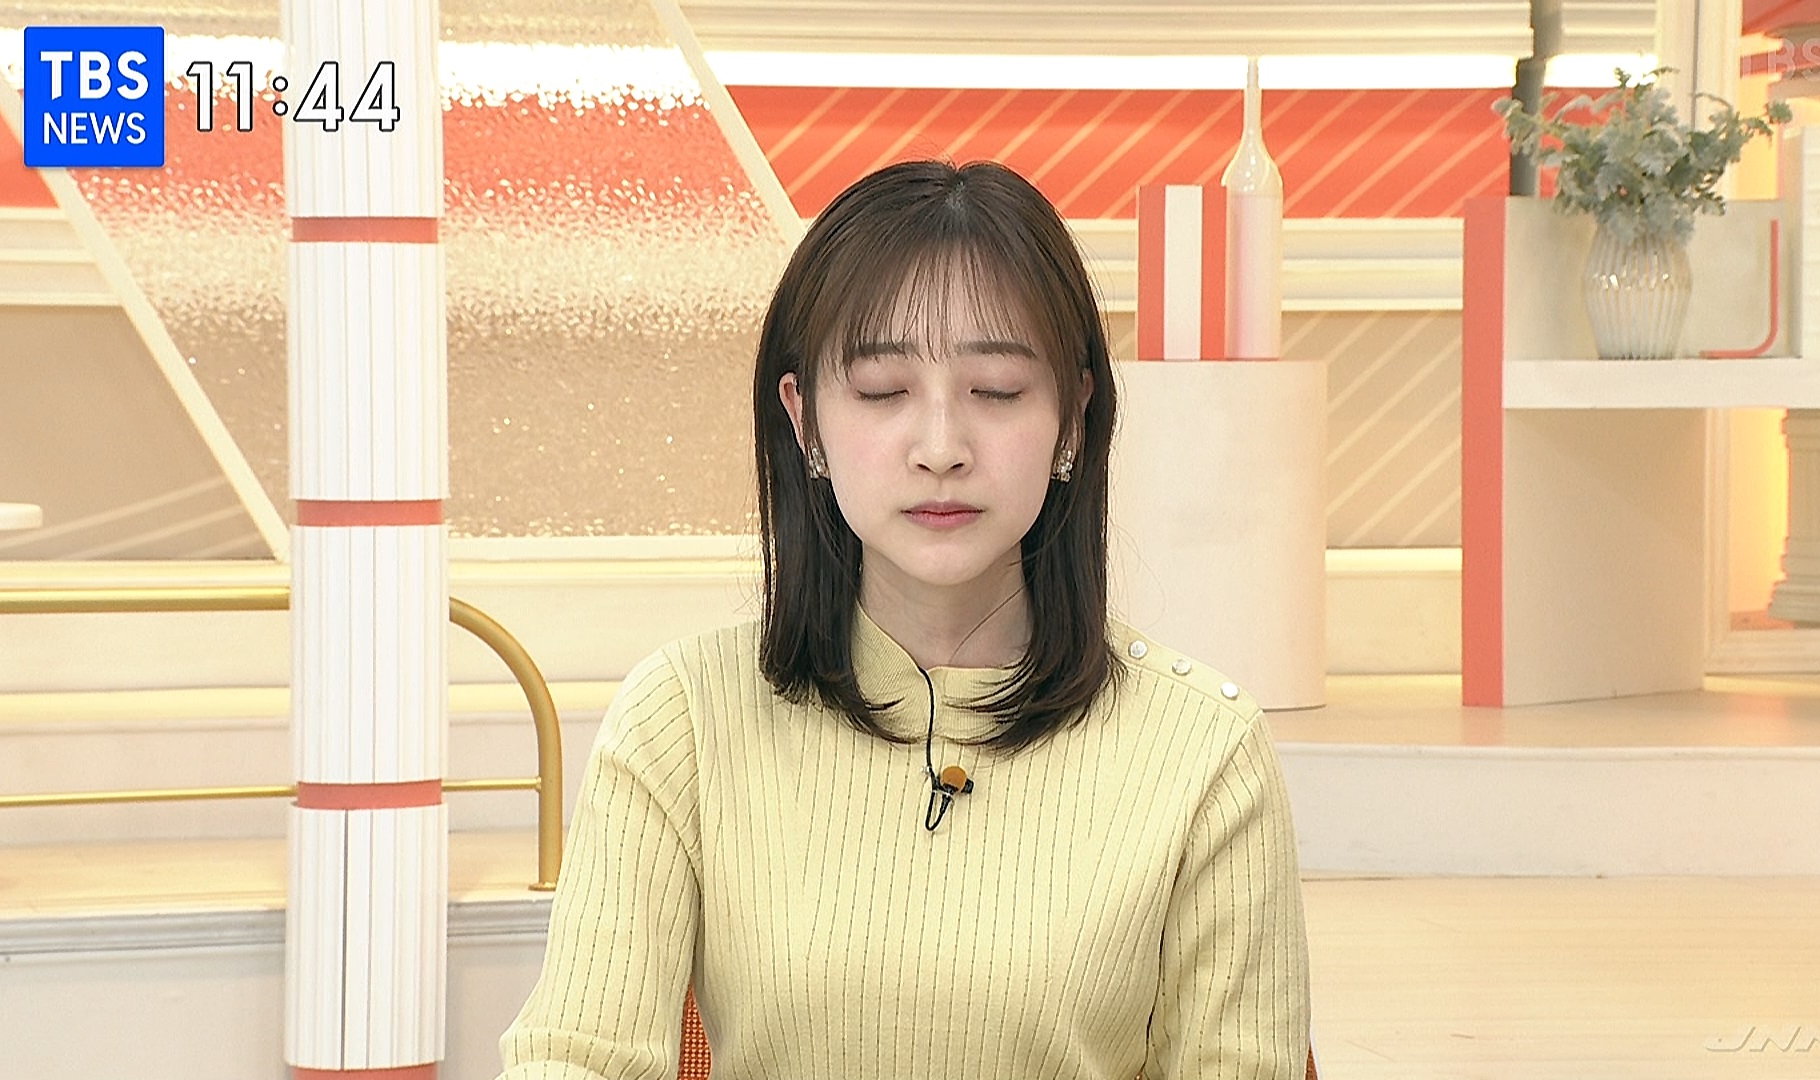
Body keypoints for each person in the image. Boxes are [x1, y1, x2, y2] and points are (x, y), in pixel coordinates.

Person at [496, 159, 1310, 1080]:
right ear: (805, 422)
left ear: (1074, 417)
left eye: (996, 389)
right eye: (883, 390)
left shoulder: (1205, 751)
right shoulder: (682, 717)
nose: (940, 448)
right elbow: (577, 1057)